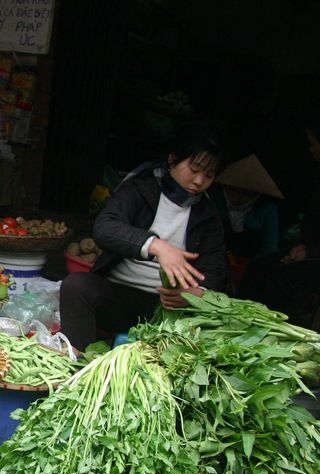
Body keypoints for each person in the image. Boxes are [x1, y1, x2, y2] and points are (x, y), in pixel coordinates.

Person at [60, 124, 229, 351]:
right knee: (76, 286)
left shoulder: (207, 215)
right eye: (194, 169)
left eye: (209, 175)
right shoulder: (140, 189)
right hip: (119, 297)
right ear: (173, 160)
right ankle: (76, 364)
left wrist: (194, 294)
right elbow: (105, 227)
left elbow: (216, 270)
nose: (199, 181)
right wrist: (157, 246)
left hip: (169, 308)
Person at [237, 116, 320, 328]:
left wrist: (310, 252)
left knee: (282, 278)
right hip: (309, 249)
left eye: (313, 143)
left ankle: (273, 332)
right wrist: (302, 245)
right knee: (258, 266)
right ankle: (240, 322)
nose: (311, 149)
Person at [212, 154, 282, 259]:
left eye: (245, 192)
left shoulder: (267, 210)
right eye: (233, 189)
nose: (237, 197)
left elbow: (269, 250)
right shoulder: (214, 200)